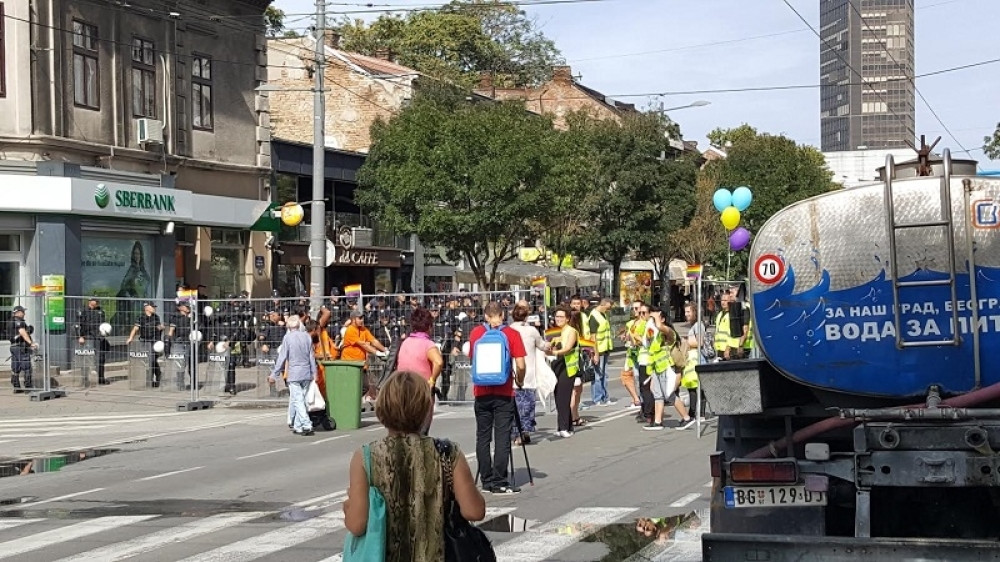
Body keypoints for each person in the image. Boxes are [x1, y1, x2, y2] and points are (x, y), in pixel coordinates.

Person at [343, 371, 486, 561]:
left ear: (381, 409)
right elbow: (474, 511)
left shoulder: (365, 457)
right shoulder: (448, 453)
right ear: (427, 409)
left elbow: (356, 524)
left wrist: (348, 507)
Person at [468, 301, 526, 494]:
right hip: (504, 391)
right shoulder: (512, 334)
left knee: (483, 437)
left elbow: (472, 359)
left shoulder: (477, 333)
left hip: (482, 392)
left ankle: (486, 479)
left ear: (485, 316)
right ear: (503, 315)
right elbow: (521, 364)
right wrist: (519, 380)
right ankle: (500, 480)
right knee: (502, 436)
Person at [396, 307, 444, 434]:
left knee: (406, 430)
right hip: (422, 390)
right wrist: (432, 379)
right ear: (429, 326)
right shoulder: (428, 345)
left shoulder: (405, 342)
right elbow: (438, 362)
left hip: (404, 390)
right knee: (421, 431)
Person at [509, 301, 550, 445]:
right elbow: (542, 345)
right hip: (528, 372)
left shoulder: (507, 330)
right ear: (526, 316)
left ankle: (515, 433)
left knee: (514, 406)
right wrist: (550, 345)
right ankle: (524, 431)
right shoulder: (532, 331)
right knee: (527, 405)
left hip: (511, 373)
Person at [269, 314, 317, 436]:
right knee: (301, 399)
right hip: (306, 372)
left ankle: (306, 424)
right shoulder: (307, 337)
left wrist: (274, 374)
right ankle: (298, 426)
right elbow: (311, 356)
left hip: (294, 373)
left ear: (289, 327)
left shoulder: (288, 338)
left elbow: (282, 357)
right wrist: (314, 372)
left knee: (298, 400)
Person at [547, 305, 579, 438]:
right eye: (557, 316)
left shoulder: (571, 331)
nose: (558, 319)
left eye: (561, 317)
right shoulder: (557, 331)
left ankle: (565, 427)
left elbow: (567, 348)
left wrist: (554, 352)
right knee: (558, 397)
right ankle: (564, 426)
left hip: (567, 367)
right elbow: (551, 344)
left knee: (563, 398)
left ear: (567, 319)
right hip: (557, 366)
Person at [114, 241, 152, 326]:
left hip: (144, 302)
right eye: (135, 253)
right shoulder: (132, 269)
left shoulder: (143, 269)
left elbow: (147, 283)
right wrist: (131, 296)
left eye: (138, 253)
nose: (136, 256)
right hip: (134, 304)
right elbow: (123, 286)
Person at [126, 301, 163, 388]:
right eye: (152, 307)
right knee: (149, 361)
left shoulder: (156, 317)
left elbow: (158, 327)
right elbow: (135, 329)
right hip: (145, 341)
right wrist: (130, 338)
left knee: (152, 360)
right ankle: (157, 375)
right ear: (146, 307)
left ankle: (150, 380)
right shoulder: (140, 317)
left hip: (155, 342)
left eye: (155, 307)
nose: (154, 308)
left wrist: (161, 327)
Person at [77, 296, 110, 385]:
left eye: (97, 300)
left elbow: (103, 325)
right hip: (87, 338)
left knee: (101, 358)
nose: (96, 302)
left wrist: (105, 333)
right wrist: (80, 336)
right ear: (90, 301)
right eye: (95, 300)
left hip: (99, 338)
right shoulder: (83, 311)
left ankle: (101, 379)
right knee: (85, 359)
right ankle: (84, 379)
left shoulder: (100, 312)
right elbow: (78, 325)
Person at [8, 305, 36, 393]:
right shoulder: (18, 321)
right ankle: (28, 387)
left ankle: (16, 387)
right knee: (26, 366)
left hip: (13, 347)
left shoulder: (10, 321)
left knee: (15, 367)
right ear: (18, 313)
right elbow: (22, 332)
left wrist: (28, 330)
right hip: (20, 347)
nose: (24, 313)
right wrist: (31, 343)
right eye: (23, 312)